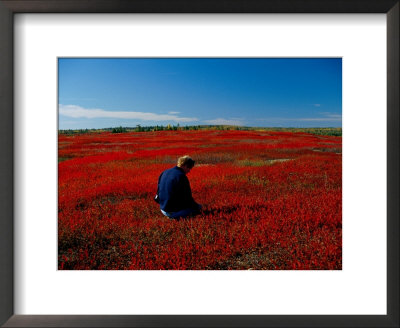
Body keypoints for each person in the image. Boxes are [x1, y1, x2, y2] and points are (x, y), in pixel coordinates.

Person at [155, 155, 202, 219]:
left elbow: (158, 192)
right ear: (185, 165)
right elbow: (188, 198)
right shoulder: (181, 176)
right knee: (198, 208)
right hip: (172, 211)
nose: (189, 171)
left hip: (162, 209)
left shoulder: (165, 172)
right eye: (189, 168)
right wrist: (197, 207)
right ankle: (174, 216)